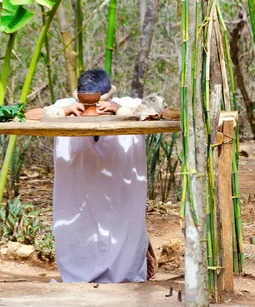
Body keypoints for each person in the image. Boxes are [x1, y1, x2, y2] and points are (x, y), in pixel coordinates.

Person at [25, 69, 156, 283]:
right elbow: (28, 115)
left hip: (118, 196)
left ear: (109, 97)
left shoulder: (127, 104)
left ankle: (124, 271)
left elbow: (162, 111)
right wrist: (65, 110)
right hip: (80, 198)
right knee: (79, 230)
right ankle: (80, 273)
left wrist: (121, 110)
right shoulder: (66, 105)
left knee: (122, 226)